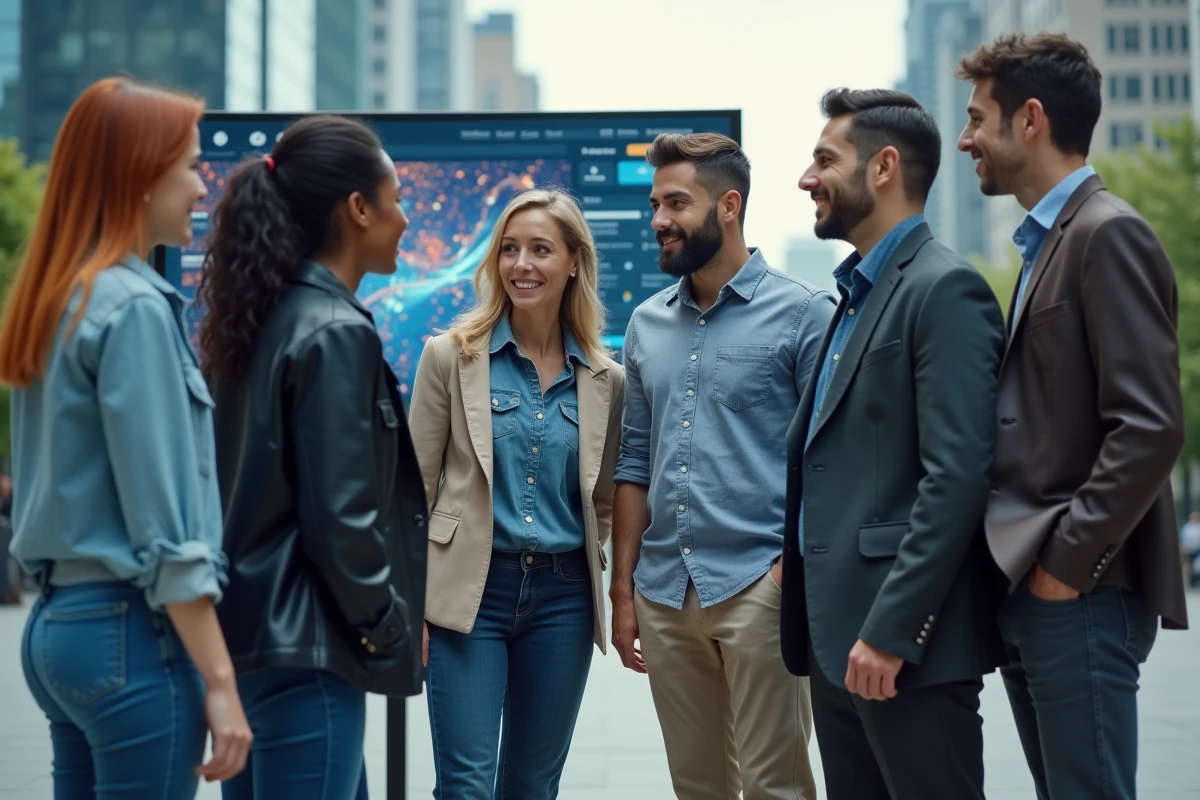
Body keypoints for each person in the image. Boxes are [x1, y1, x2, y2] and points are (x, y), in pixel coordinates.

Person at [0, 77, 252, 798]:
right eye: (190, 165)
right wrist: (222, 681)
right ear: (140, 173)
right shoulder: (135, 308)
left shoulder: (59, 297)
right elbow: (167, 528)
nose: (202, 188)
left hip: (57, 630)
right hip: (130, 636)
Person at [956, 33, 1189, 800]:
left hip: (1078, 593)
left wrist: (1065, 566)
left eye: (976, 119)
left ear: (1030, 120)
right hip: (1038, 589)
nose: (965, 140)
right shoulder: (1047, 243)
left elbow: (1150, 424)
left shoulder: (1105, 231)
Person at [780, 88, 1008, 800]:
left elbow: (958, 477)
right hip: (836, 649)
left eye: (824, 159)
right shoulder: (849, 298)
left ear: (882, 167)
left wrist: (892, 631)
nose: (806, 178)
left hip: (902, 651)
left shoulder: (945, 289)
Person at [197, 115, 428, 799]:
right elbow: (342, 516)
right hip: (309, 652)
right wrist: (389, 624)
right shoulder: (334, 332)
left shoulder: (252, 321)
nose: (407, 218)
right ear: (357, 210)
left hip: (249, 643)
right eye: (395, 197)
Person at [610, 132, 832, 799]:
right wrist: (623, 591)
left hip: (759, 589)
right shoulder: (645, 324)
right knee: (698, 787)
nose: (658, 220)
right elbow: (634, 462)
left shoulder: (805, 315)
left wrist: (787, 570)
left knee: (777, 787)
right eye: (655, 203)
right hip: (664, 595)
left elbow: (829, 461)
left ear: (728, 205)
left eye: (676, 202)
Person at [407, 188, 624, 798]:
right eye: (509, 249)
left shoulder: (608, 380)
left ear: (574, 261)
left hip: (563, 599)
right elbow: (415, 489)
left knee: (532, 786)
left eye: (540, 250)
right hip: (467, 597)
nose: (521, 264)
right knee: (467, 785)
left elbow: (602, 499)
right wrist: (414, 600)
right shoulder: (450, 357)